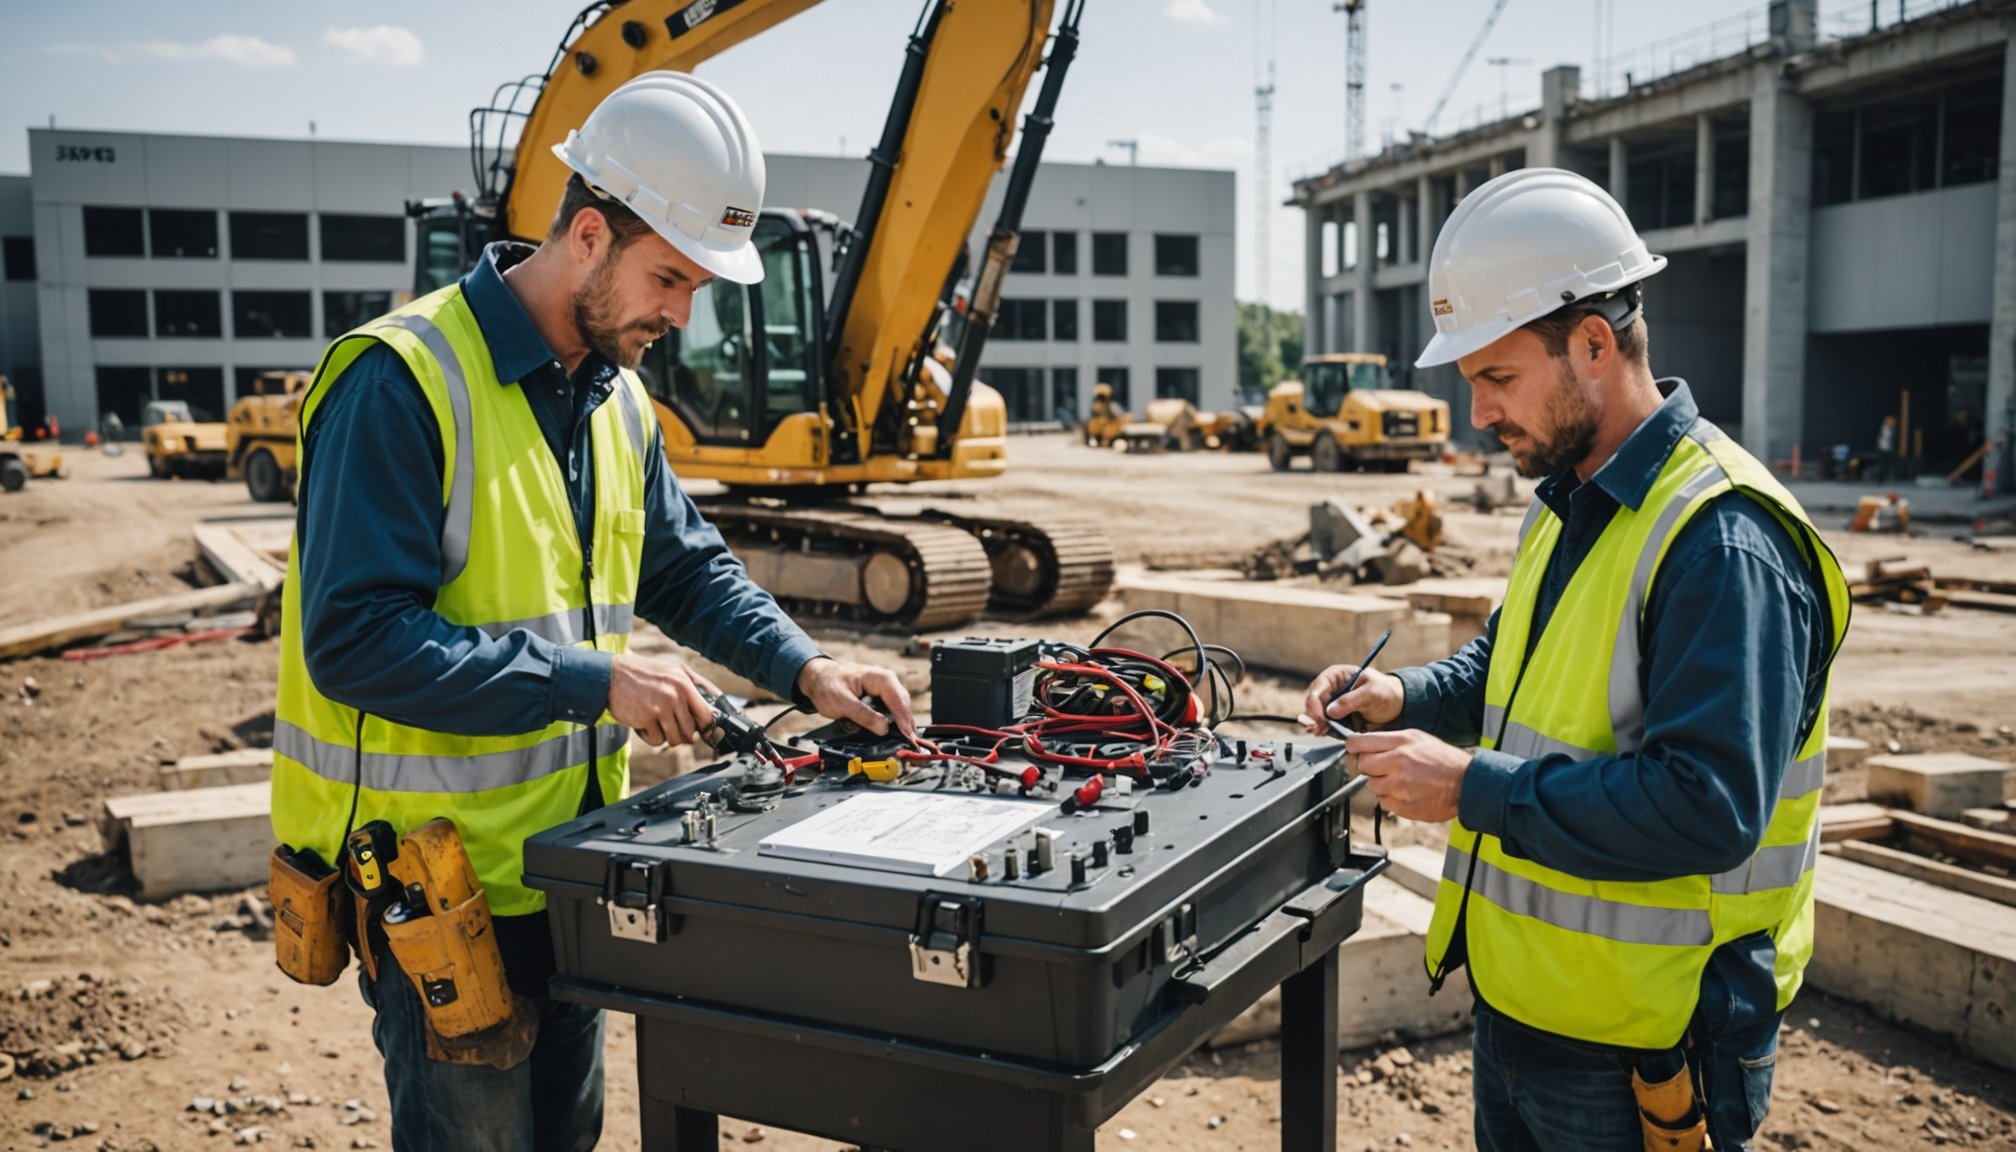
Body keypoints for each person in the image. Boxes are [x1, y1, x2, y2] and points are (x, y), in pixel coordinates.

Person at [268, 72, 914, 1152]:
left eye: (697, 287)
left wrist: (807, 671)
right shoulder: (399, 383)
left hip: (571, 874)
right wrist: (593, 682)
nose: (680, 313)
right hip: (435, 887)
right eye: (669, 278)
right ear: (585, 236)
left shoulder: (616, 399)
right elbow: (355, 642)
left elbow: (684, 570)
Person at [1302, 168, 1849, 1151]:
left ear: (1592, 344)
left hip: (1650, 1046)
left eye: (1497, 379)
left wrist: (1472, 788)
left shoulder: (1723, 542)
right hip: (1526, 1009)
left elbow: (1708, 806)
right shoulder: (1570, 499)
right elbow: (1514, 671)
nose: (1477, 414)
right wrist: (1402, 695)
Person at [1876, 413, 1899, 481]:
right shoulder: (1883, 428)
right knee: (1882, 464)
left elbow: (1895, 439)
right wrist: (1879, 445)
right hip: (1883, 449)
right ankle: (1881, 479)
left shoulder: (1894, 429)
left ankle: (1891, 478)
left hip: (1890, 449)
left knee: (1891, 465)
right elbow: (1879, 438)